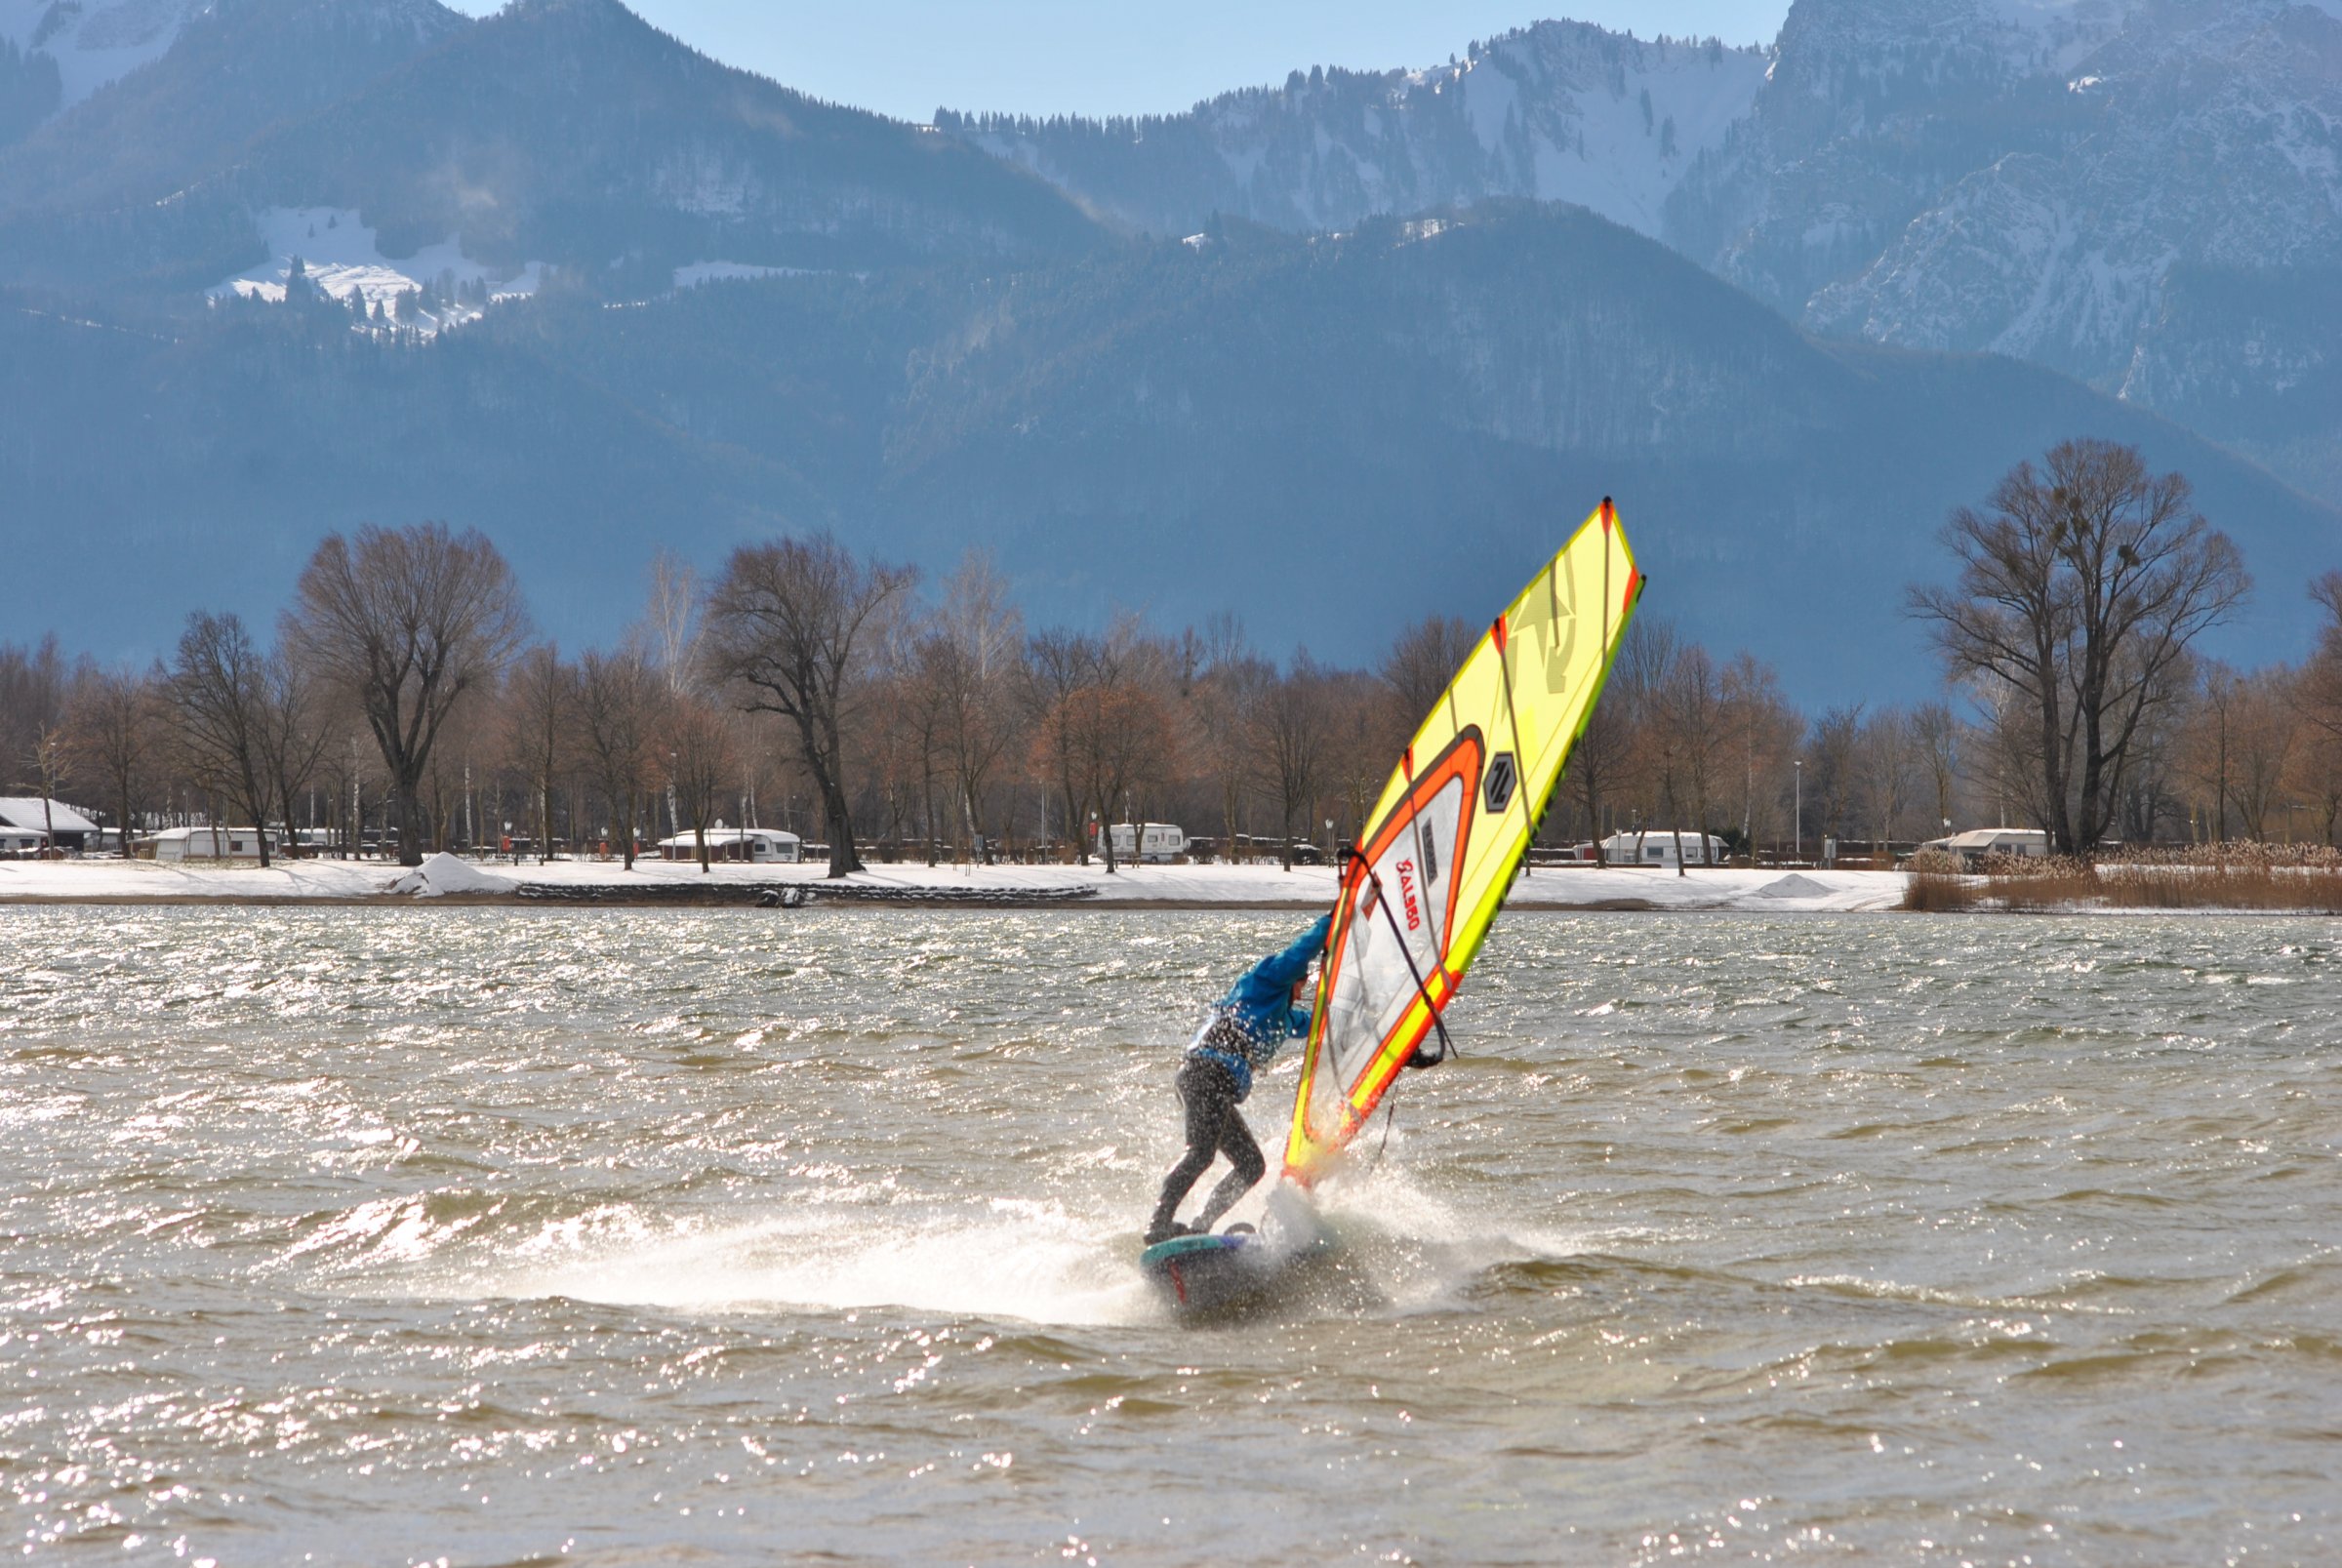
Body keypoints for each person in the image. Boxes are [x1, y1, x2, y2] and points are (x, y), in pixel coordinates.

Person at [1145, 913, 1330, 1244]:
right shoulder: (1265, 981)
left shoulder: (1284, 1018)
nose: (1301, 994)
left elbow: (1320, 1022)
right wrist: (1338, 917)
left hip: (1217, 1086)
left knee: (1250, 1165)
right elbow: (1304, 950)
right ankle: (1158, 1224)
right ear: (1292, 980)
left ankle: (1200, 1225)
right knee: (1201, 1152)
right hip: (1204, 1074)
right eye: (1302, 985)